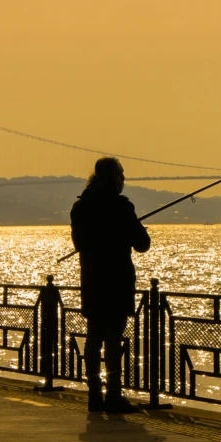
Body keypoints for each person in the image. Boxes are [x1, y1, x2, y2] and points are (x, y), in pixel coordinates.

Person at [70, 157, 150, 413]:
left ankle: (94, 395)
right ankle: (114, 395)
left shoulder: (80, 207)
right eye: (121, 174)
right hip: (116, 282)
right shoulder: (121, 207)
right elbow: (143, 244)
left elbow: (80, 245)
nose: (123, 179)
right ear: (113, 177)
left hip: (92, 281)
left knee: (94, 338)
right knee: (113, 340)